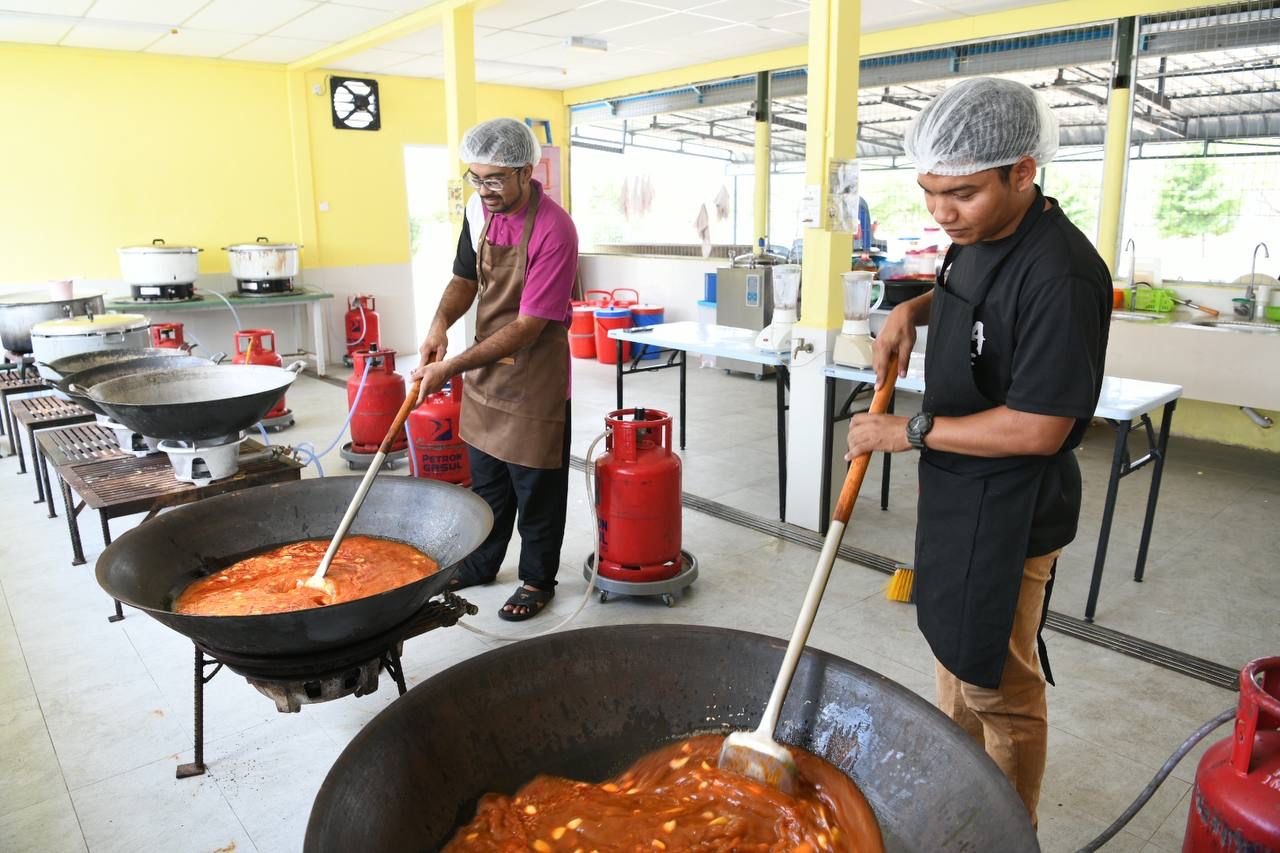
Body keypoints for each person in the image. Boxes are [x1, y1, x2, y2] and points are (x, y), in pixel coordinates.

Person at [846, 77, 1111, 826]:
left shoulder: (1061, 273)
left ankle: (1007, 827)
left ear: (1023, 171)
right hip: (960, 491)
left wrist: (909, 431)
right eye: (929, 192)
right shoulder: (979, 235)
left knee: (1000, 683)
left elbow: (1038, 428)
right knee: (954, 661)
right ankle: (957, 795)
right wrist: (911, 308)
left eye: (959, 193)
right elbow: (969, 294)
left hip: (1014, 510)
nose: (940, 212)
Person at [410, 117, 578, 622]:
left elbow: (528, 327)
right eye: (475, 177)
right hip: (487, 370)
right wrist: (440, 325)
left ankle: (536, 579)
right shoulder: (478, 212)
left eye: (495, 179)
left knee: (537, 491)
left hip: (534, 379)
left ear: (527, 171)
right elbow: (465, 278)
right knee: (487, 482)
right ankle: (483, 563)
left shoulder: (554, 229)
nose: (484, 190)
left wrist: (453, 367)